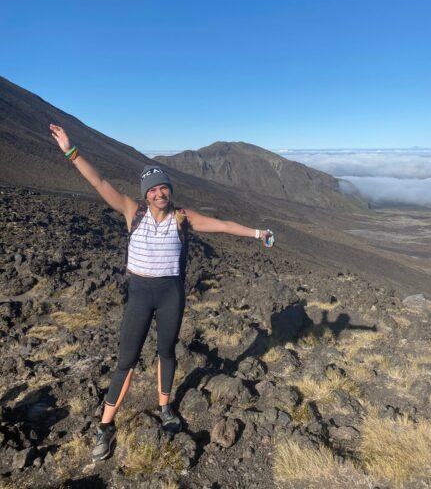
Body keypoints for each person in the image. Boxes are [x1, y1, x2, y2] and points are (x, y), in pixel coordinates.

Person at [49, 124, 274, 462]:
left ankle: (165, 406)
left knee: (167, 351)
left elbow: (224, 225)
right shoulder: (132, 212)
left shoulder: (182, 218)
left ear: (170, 191)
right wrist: (71, 151)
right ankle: (105, 426)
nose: (159, 193)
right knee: (127, 359)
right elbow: (99, 182)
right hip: (140, 293)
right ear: (145, 193)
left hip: (171, 293)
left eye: (163, 188)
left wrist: (259, 233)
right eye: (153, 189)